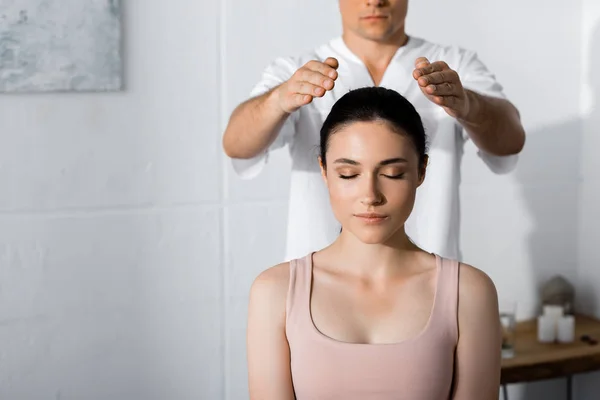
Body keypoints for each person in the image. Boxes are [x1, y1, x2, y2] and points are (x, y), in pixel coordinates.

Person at [246, 87, 502, 399]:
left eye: (393, 174)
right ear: (324, 171)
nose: (370, 196)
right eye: (348, 174)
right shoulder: (275, 291)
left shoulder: (469, 292)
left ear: (421, 170)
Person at [222, 0, 526, 261]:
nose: (374, 0)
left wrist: (468, 104)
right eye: (348, 173)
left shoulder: (453, 66)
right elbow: (236, 143)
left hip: (429, 281)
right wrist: (279, 99)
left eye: (394, 172)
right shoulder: (297, 70)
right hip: (319, 285)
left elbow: (511, 140)